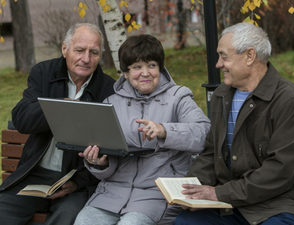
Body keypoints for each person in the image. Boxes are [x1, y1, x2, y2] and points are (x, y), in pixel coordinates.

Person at [73, 34, 211, 225]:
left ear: (160, 68)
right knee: (84, 222)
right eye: (137, 67)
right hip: (112, 193)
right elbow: (108, 161)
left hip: (157, 193)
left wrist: (164, 130)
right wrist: (99, 164)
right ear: (126, 73)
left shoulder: (178, 97)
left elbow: (204, 134)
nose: (145, 73)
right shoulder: (111, 103)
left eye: (152, 65)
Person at [173, 22, 294, 225]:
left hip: (276, 206)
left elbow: (280, 171)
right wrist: (190, 189)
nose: (218, 64)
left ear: (250, 56)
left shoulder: (289, 99)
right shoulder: (221, 96)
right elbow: (210, 153)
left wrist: (219, 193)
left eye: (224, 57)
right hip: (228, 204)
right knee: (186, 222)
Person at [0, 23, 115, 225]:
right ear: (65, 49)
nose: (86, 59)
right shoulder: (44, 73)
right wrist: (61, 108)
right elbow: (22, 119)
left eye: (94, 52)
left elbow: (112, 151)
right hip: (34, 175)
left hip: (76, 182)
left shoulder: (109, 89)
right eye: (79, 50)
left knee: (68, 217)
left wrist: (78, 183)